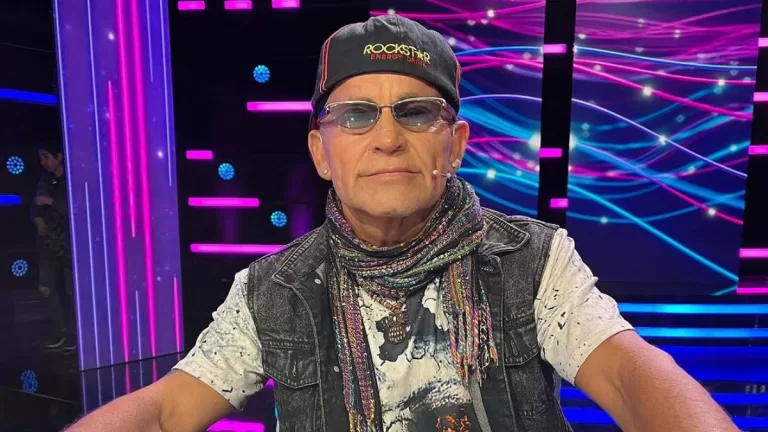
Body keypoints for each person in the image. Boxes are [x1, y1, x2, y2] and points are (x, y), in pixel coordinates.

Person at [66, 15, 738, 432]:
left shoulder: (535, 260)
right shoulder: (272, 289)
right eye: (356, 116)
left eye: (415, 113)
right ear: (320, 152)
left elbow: (629, 378)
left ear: (456, 144)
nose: (387, 139)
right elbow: (166, 412)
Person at [32, 141, 76, 351]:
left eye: (46, 157)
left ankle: (74, 335)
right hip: (48, 243)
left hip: (69, 245)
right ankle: (60, 331)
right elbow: (34, 204)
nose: (43, 162)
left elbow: (75, 209)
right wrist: (37, 219)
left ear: (59, 157)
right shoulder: (45, 180)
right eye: (41, 157)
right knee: (45, 288)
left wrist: (50, 202)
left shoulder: (72, 179)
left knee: (71, 291)